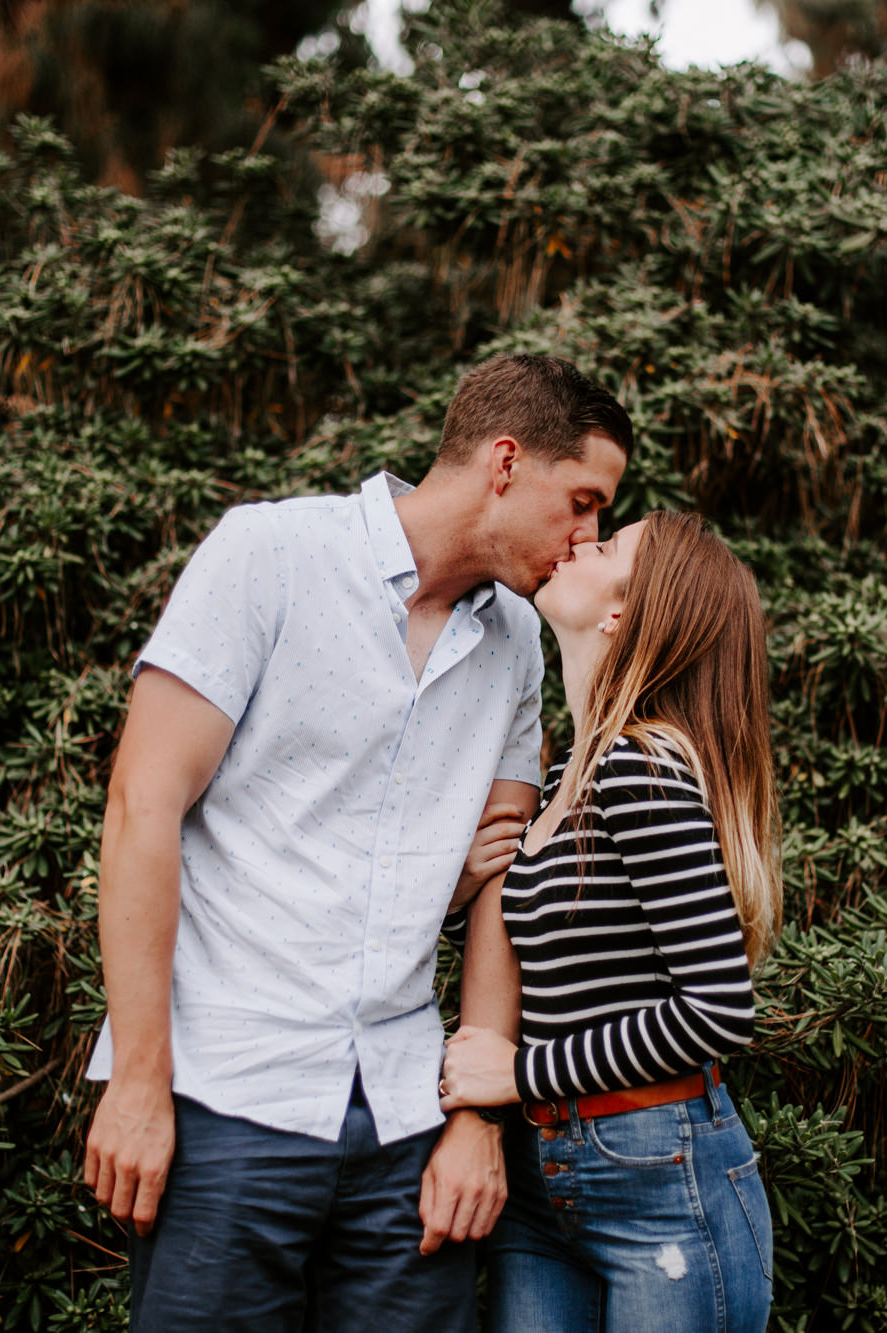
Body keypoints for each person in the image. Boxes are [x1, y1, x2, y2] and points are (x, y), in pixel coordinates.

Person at [80, 353, 633, 1332]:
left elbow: (503, 876)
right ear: (504, 462)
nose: (586, 538)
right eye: (581, 501)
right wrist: (136, 1083)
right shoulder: (270, 555)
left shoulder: (515, 639)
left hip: (407, 1119)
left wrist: (474, 1118)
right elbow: (141, 807)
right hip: (222, 1096)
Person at [439, 512, 780, 1333]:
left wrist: (521, 1074)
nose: (580, 542)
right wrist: (463, 902)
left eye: (609, 546)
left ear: (623, 613)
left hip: (660, 1178)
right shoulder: (571, 770)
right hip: (542, 1182)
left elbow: (718, 1008)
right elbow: (577, 960)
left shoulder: (641, 763)